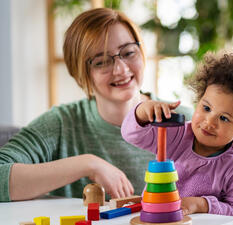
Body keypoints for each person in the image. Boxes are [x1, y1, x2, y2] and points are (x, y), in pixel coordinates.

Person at [0, 8, 192, 202]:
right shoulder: (62, 124)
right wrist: (88, 164)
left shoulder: (187, 122)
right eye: (101, 62)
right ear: (81, 73)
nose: (121, 69)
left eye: (128, 52)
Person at [121, 49, 233, 219]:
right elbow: (131, 134)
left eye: (224, 118)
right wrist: (142, 112)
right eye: (206, 108)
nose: (209, 122)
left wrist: (202, 204)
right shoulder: (177, 134)